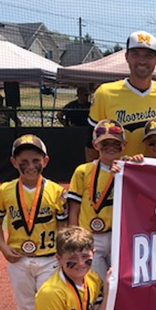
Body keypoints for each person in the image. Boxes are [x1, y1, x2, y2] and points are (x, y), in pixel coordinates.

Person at [0, 134, 67, 310]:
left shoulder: (56, 191)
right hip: (19, 259)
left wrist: (62, 251)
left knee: (48, 305)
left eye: (36, 161)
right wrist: (4, 249)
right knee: (26, 309)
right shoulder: (5, 190)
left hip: (49, 258)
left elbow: (62, 224)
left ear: (46, 161)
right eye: (23, 162)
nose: (30, 166)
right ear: (14, 162)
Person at [88, 31, 156, 162]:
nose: (142, 61)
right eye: (135, 54)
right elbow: (91, 144)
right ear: (127, 56)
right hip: (118, 176)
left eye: (148, 56)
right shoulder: (105, 93)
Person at [66, 120, 125, 283]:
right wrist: (74, 235)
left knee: (116, 282)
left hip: (117, 235)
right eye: (104, 143)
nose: (110, 147)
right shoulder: (83, 171)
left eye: (115, 142)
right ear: (95, 145)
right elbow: (74, 208)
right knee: (94, 283)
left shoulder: (128, 170)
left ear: (124, 144)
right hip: (90, 236)